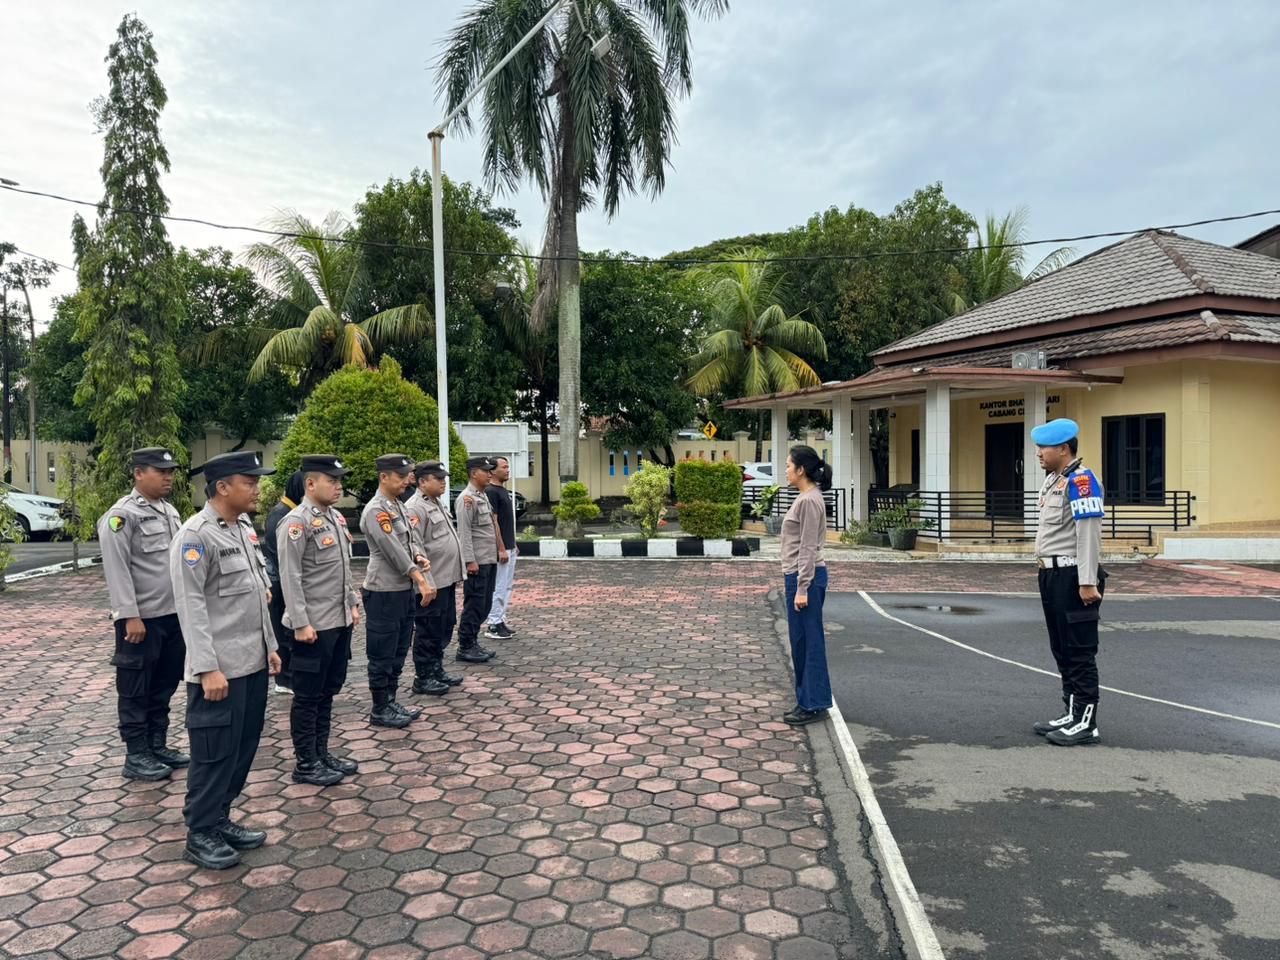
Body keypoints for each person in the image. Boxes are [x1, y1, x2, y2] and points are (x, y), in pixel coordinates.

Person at [171, 450, 281, 870]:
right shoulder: (195, 536)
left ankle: (220, 817)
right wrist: (206, 668)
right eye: (249, 482)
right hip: (218, 671)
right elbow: (191, 607)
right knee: (214, 753)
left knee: (242, 748)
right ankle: (200, 832)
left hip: (251, 663)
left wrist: (270, 646)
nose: (257, 489)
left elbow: (257, 594)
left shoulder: (243, 528)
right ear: (222, 487)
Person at [97, 447, 187, 782]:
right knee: (135, 687)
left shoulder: (169, 511)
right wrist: (128, 615)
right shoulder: (122, 515)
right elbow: (117, 569)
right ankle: (136, 755)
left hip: (172, 615)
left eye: (170, 471)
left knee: (164, 683)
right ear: (138, 473)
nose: (168, 477)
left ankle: (156, 745)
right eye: (161, 471)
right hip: (141, 619)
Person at [277, 456, 362, 785]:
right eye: (332, 480)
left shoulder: (335, 517)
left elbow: (343, 570)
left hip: (337, 621)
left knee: (327, 691)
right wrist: (300, 622)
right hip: (311, 627)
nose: (339, 486)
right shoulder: (296, 523)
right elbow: (290, 576)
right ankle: (306, 763)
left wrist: (351, 604)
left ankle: (322, 753)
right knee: (308, 696)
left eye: (340, 480)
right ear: (310, 484)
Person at [1031, 418, 1106, 747]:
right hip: (1051, 574)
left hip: (1073, 575)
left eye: (1044, 448)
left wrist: (1087, 581)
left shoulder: (1082, 481)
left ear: (1063, 449)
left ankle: (1086, 724)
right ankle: (1071, 712)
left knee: (1078, 651)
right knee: (1061, 648)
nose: (1039, 453)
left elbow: (1088, 533)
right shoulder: (1054, 481)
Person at [361, 454, 434, 728]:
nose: (407, 480)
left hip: (402, 590)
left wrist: (418, 555)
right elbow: (392, 550)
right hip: (384, 591)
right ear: (384, 477)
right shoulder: (376, 510)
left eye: (408, 475)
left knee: (399, 649)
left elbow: (409, 540)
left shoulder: (398, 506)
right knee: (382, 652)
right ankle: (380, 706)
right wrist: (420, 578)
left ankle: (391, 700)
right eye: (401, 476)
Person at [780, 445, 833, 726]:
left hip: (806, 580)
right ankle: (808, 700)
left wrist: (802, 588)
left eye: (789, 465)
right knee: (801, 642)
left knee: (809, 642)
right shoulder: (806, 498)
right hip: (800, 577)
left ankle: (813, 704)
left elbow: (808, 547)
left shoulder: (810, 500)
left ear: (801, 470)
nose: (786, 470)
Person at [405, 460, 465, 693]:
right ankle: (423, 676)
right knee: (428, 629)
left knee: (444, 625)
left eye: (443, 478)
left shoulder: (435, 502)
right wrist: (425, 582)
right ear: (422, 482)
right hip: (432, 582)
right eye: (438, 479)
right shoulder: (415, 507)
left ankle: (436, 669)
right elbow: (415, 546)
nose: (443, 482)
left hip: (445, 579)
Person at [455, 457, 502, 664]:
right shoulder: (467, 499)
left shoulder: (482, 496)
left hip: (488, 559)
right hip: (477, 562)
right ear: (474, 473)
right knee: (474, 604)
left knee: (484, 604)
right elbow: (464, 533)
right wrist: (469, 561)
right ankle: (465, 645)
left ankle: (473, 641)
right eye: (486, 471)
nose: (490, 474)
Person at [263, 470, 305, 695]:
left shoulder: (291, 511)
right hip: (279, 583)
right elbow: (279, 555)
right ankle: (284, 679)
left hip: (284, 580)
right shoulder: (280, 514)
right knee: (282, 632)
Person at [484, 456, 519, 641]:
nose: (507, 470)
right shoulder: (491, 492)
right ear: (492, 471)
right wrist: (501, 548)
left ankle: (501, 619)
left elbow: (506, 521)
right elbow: (494, 521)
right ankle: (493, 623)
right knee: (498, 586)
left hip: (509, 546)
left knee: (506, 586)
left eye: (508, 466)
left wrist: (513, 544)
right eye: (504, 467)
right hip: (501, 548)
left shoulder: (502, 490)